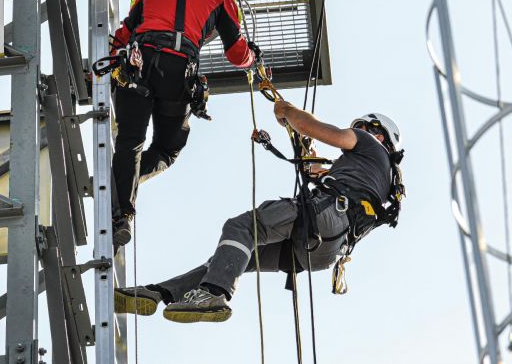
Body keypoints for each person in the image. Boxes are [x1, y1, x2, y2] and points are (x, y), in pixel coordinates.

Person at [113, 102, 405, 323]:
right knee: (230, 259)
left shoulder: (366, 144)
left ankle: (214, 294)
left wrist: (288, 110)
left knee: (242, 227)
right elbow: (316, 170)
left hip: (324, 218)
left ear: (377, 134)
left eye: (364, 128)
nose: (359, 132)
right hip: (324, 251)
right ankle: (161, 292)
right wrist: (304, 148)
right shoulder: (382, 178)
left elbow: (312, 126)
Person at [108, 0, 260, 247]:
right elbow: (237, 54)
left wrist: (102, 71)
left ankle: (122, 213)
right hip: (177, 72)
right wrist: (253, 57)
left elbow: (124, 33)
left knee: (129, 141)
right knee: (166, 149)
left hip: (137, 63)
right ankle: (123, 183)